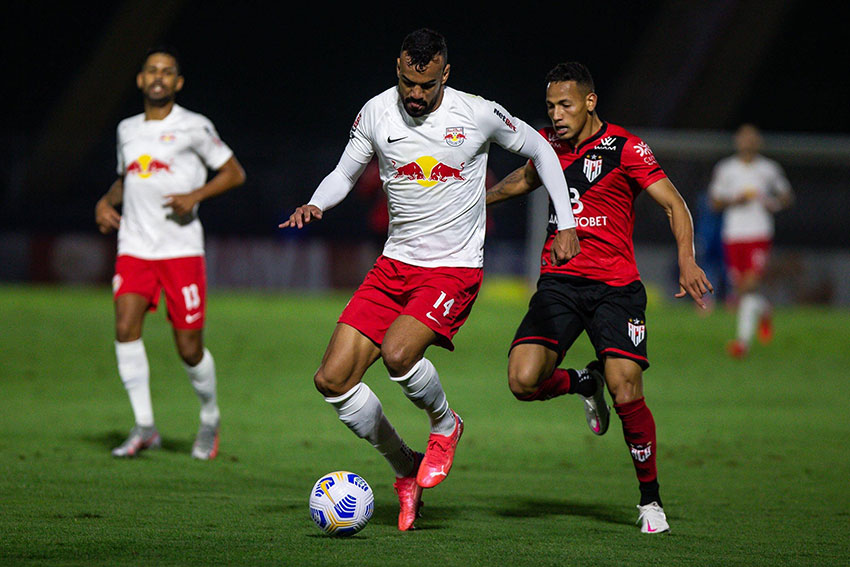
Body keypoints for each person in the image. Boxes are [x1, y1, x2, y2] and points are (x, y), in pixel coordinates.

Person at [281, 29, 580, 531]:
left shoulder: (477, 113)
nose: (414, 95)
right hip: (394, 264)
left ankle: (446, 423)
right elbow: (344, 173)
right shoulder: (376, 112)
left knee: (399, 354)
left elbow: (544, 151)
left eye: (426, 85)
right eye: (406, 83)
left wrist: (567, 221)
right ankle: (405, 469)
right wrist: (317, 201)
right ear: (396, 71)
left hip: (453, 267)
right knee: (331, 380)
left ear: (446, 74)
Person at [486, 62, 713, 534]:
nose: (556, 114)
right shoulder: (546, 146)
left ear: (590, 102)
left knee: (626, 387)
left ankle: (650, 501)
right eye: (550, 106)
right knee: (523, 381)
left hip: (615, 289)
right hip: (560, 284)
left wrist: (687, 261)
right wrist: (470, 200)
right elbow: (521, 182)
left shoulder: (625, 148)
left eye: (565, 105)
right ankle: (580, 384)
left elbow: (674, 204)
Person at [95, 46, 246, 460]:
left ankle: (210, 418)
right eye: (151, 70)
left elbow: (234, 172)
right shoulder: (127, 129)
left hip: (181, 250)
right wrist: (105, 202)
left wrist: (196, 194)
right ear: (141, 80)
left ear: (177, 83)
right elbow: (126, 179)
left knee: (188, 348)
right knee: (125, 328)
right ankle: (145, 426)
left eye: (167, 72)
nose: (159, 77)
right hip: (135, 246)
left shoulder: (195, 127)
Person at [708, 123, 793, 358]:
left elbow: (786, 196)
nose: (748, 141)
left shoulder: (769, 169)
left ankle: (742, 344)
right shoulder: (726, 169)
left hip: (759, 232)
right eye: (744, 137)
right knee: (743, 289)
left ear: (759, 142)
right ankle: (764, 310)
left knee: (749, 285)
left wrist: (772, 203)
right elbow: (714, 202)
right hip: (733, 234)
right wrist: (735, 200)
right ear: (737, 141)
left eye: (752, 138)